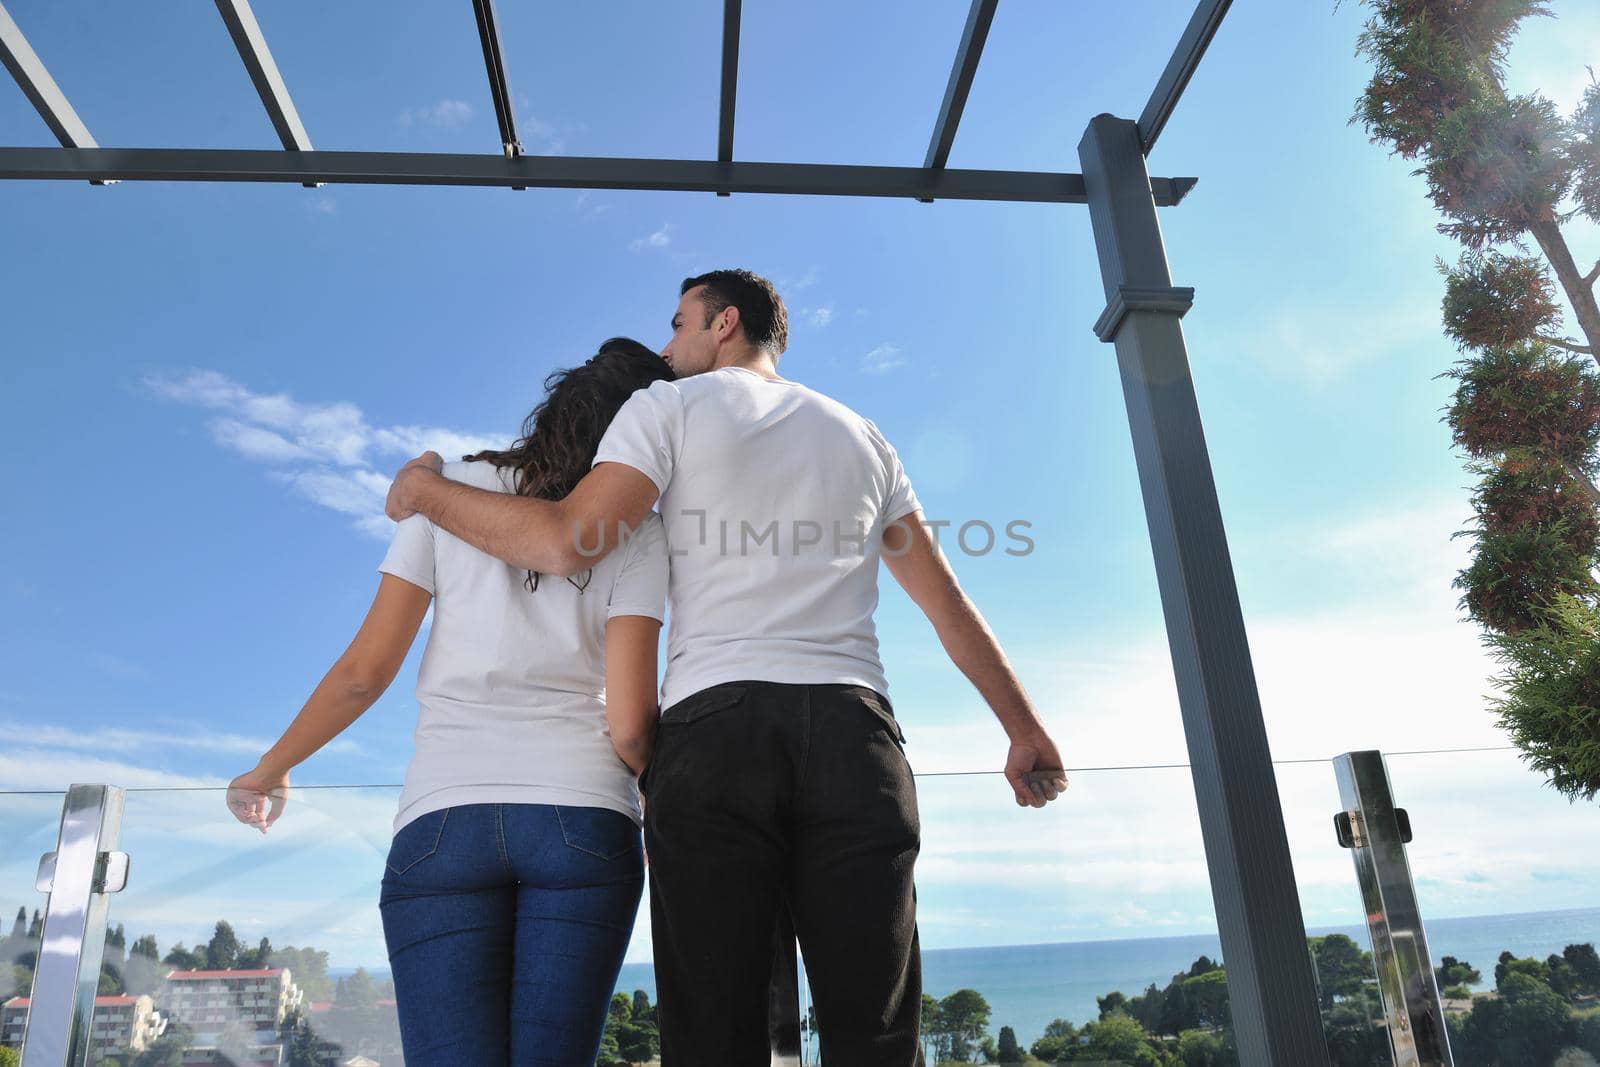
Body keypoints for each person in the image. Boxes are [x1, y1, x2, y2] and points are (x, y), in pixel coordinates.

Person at [384, 269, 1068, 1066]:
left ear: (724, 323)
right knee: (876, 1034)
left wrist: (427, 492)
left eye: (678, 325)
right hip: (857, 737)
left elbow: (569, 539)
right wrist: (1022, 727)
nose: (667, 347)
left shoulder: (665, 407)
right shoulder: (864, 435)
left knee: (715, 1035)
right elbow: (945, 602)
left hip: (717, 736)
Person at [226, 338, 675, 1066]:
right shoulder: (639, 529)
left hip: (442, 820)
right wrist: (665, 804)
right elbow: (629, 725)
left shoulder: (443, 492)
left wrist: (272, 766)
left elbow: (363, 672)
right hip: (584, 816)